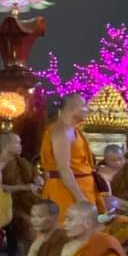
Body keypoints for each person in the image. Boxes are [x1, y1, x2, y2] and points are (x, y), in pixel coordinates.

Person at [40, 94, 99, 222]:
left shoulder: (73, 130)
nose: (87, 109)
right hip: (68, 191)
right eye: (83, 106)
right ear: (73, 109)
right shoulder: (62, 131)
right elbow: (64, 168)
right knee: (70, 231)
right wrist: (81, 199)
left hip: (80, 186)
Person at [0, 132, 41, 256]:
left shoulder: (20, 161)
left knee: (46, 212)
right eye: (17, 143)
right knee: (28, 222)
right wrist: (24, 187)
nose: (20, 146)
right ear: (6, 145)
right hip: (7, 204)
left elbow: (33, 175)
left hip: (26, 200)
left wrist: (38, 179)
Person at [97, 144, 128, 215]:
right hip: (119, 206)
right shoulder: (102, 174)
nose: (118, 163)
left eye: (121, 159)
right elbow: (108, 197)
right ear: (105, 160)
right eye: (113, 160)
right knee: (110, 201)